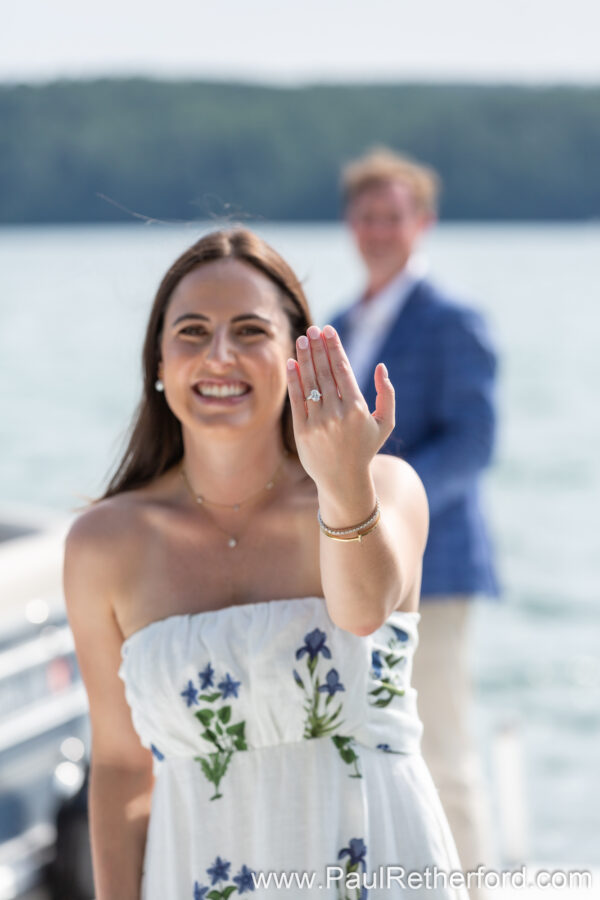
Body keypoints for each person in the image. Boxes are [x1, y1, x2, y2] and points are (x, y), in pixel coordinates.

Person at [63, 227, 469, 899]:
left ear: (295, 357)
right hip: (197, 872)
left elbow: (363, 611)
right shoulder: (106, 544)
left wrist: (342, 484)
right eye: (191, 332)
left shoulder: (386, 488)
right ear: (159, 364)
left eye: (250, 331)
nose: (219, 355)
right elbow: (119, 766)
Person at [331, 148, 499, 895]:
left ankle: (473, 886)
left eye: (392, 216)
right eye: (366, 216)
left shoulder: (454, 320)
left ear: (421, 223)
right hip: (353, 569)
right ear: (350, 224)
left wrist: (386, 514)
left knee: (443, 750)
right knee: (371, 745)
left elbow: (473, 443)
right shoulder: (336, 325)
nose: (378, 230)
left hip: (437, 565)